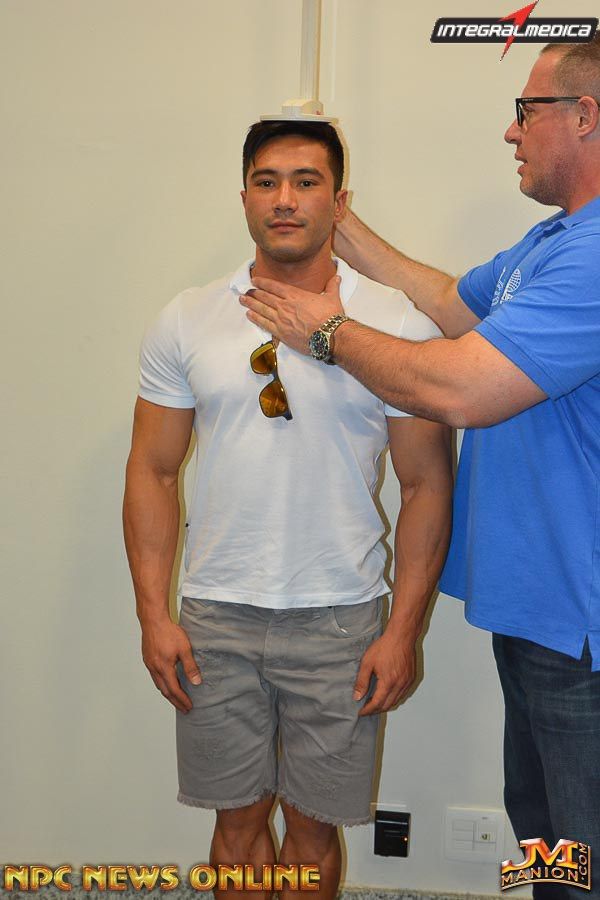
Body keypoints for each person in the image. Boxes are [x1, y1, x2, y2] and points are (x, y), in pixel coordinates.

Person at [240, 37, 600, 898]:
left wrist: (327, 333)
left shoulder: (595, 258)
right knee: (546, 836)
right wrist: (331, 216)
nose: (512, 132)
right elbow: (445, 301)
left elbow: (460, 389)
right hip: (543, 616)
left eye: (526, 111)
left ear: (585, 117)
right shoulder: (552, 244)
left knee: (585, 850)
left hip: (585, 630)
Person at [123, 119, 452, 899]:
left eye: (307, 182)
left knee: (311, 830)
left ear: (339, 201)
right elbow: (152, 470)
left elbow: (426, 486)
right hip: (217, 617)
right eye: (266, 181)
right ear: (243, 197)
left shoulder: (397, 322)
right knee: (236, 825)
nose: (285, 199)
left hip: (340, 618)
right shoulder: (188, 318)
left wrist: (402, 632)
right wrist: (153, 616)